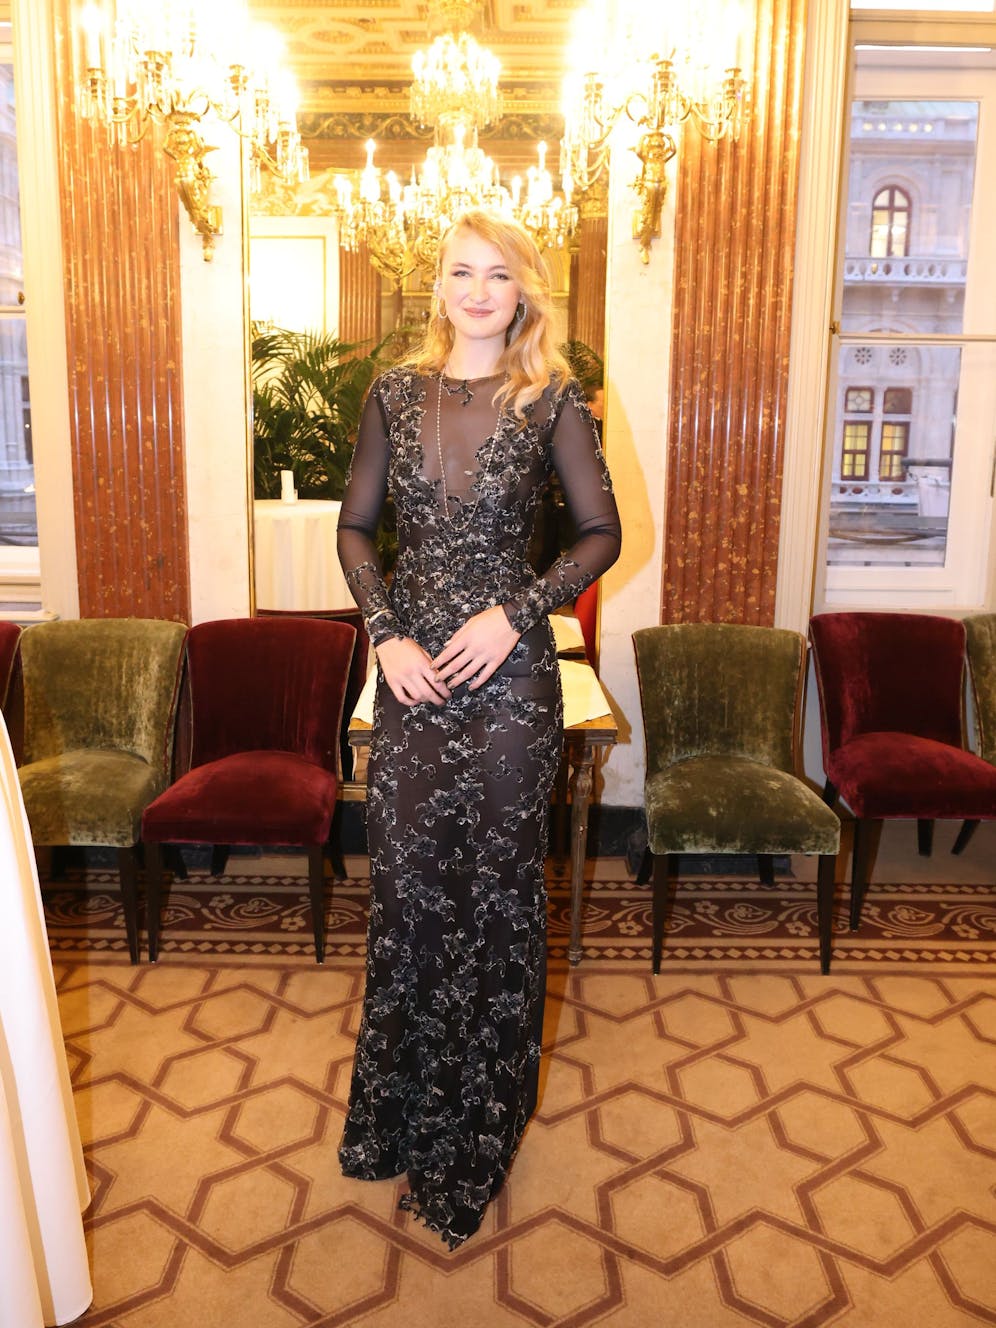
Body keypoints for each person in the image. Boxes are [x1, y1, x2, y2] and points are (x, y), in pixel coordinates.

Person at [336, 208, 622, 1248]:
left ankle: (475, 1131)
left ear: (523, 291)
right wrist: (384, 634)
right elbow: (355, 527)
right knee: (410, 892)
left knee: (496, 898)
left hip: (510, 683)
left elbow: (601, 531)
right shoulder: (392, 393)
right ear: (440, 286)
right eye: (462, 271)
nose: (477, 291)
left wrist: (518, 612)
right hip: (412, 678)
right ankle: (398, 1114)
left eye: (498, 275)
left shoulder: (554, 400)